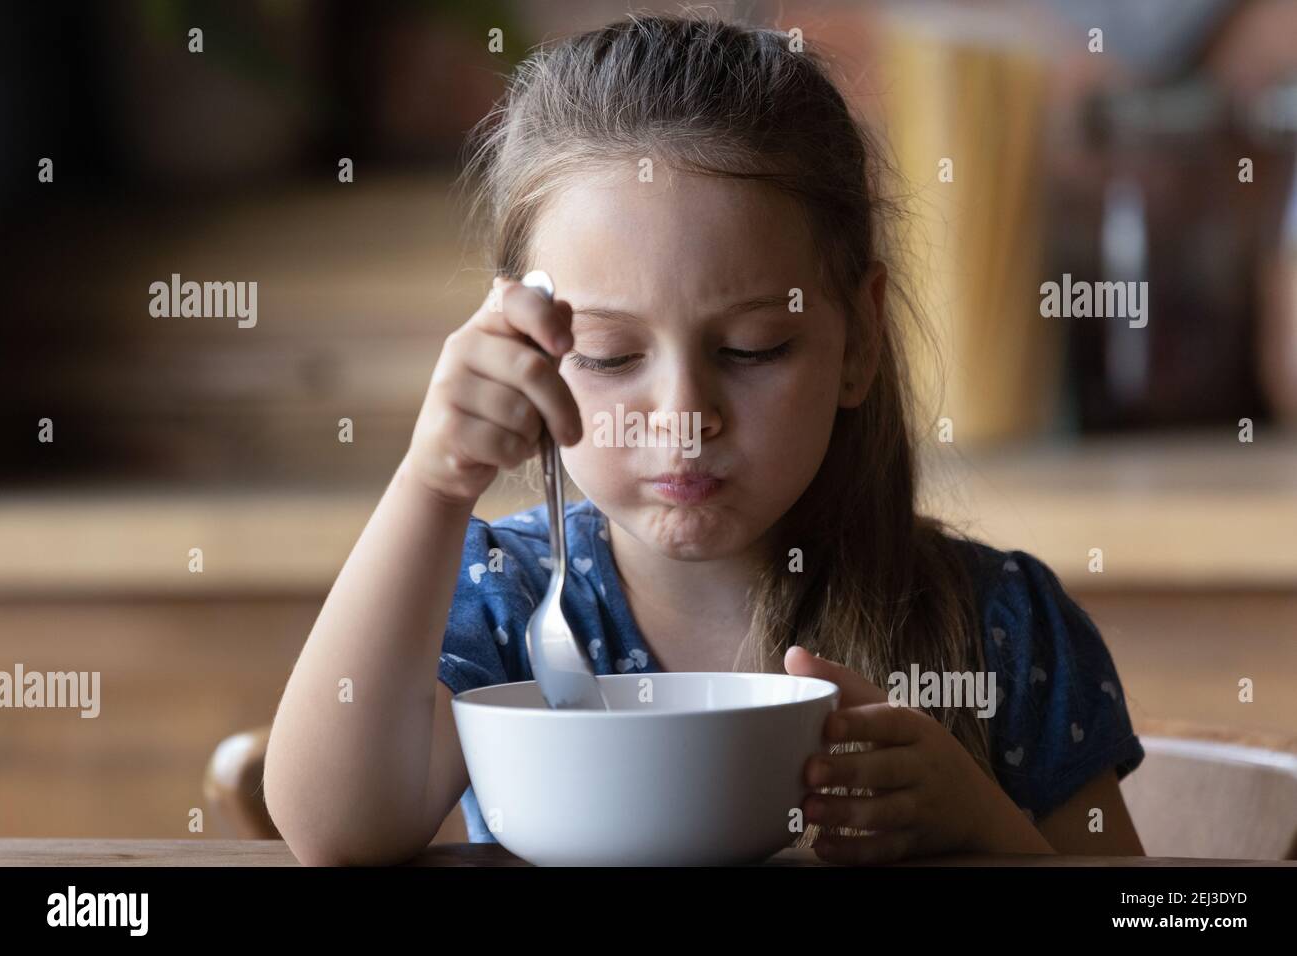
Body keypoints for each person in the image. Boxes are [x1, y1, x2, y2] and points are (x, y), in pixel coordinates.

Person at [264, 11, 1145, 866]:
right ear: (524, 349)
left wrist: (984, 828)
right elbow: (336, 828)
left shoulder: (1000, 630)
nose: (685, 414)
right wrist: (433, 482)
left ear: (860, 340)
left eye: (752, 348)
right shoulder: (510, 604)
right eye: (609, 357)